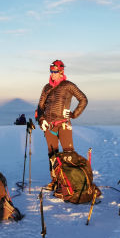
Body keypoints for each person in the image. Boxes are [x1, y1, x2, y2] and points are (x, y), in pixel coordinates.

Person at [36, 60, 88, 189]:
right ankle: (55, 181)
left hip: (64, 124)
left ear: (61, 72)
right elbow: (40, 107)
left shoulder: (68, 85)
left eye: (55, 72)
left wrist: (73, 114)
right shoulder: (46, 87)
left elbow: (83, 99)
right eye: (51, 71)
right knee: (52, 155)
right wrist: (41, 120)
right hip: (49, 126)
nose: (52, 74)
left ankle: (71, 180)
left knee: (68, 153)